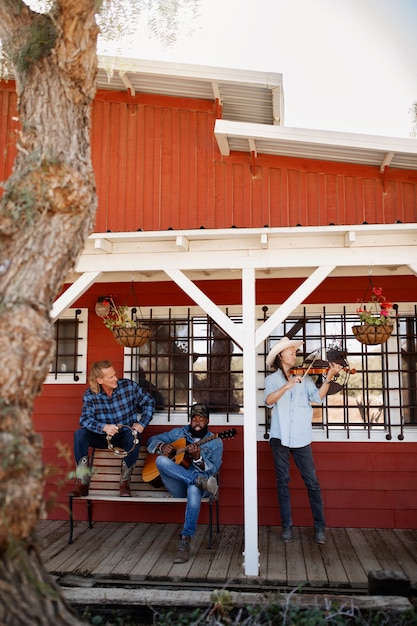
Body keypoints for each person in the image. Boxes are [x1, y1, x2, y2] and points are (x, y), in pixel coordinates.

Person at [264, 337, 343, 545]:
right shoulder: (272, 380)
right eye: (291, 351)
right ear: (281, 355)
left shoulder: (306, 378)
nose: (295, 354)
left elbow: (317, 399)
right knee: (282, 483)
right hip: (280, 437)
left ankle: (319, 528)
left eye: (295, 351)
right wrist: (287, 386)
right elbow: (268, 401)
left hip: (301, 437)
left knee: (313, 484)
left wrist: (328, 378)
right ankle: (287, 527)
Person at [146, 403, 223, 563]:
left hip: (203, 486)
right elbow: (151, 440)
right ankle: (196, 480)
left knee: (194, 489)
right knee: (161, 460)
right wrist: (162, 445)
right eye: (194, 418)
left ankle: (185, 540)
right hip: (179, 485)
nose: (197, 422)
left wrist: (198, 458)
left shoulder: (216, 442)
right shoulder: (178, 433)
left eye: (201, 419)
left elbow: (213, 469)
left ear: (207, 421)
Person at [72, 360, 155, 497]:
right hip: (102, 436)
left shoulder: (128, 386)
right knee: (80, 434)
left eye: (114, 374)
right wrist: (104, 427)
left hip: (124, 436)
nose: (115, 378)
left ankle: (125, 482)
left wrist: (142, 423)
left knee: (134, 436)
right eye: (110, 377)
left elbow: (149, 402)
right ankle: (82, 481)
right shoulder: (90, 394)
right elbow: (84, 419)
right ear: (99, 380)